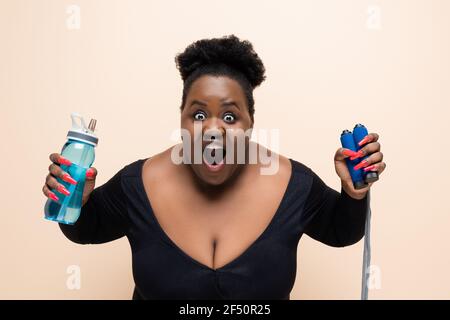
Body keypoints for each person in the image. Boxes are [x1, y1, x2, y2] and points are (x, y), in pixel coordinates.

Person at [42, 35, 386, 299]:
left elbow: (342, 232)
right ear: (181, 120)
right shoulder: (139, 183)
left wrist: (354, 192)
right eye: (199, 115)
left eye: (230, 116)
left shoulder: (293, 183)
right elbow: (85, 230)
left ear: (251, 123)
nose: (213, 129)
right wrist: (74, 202)